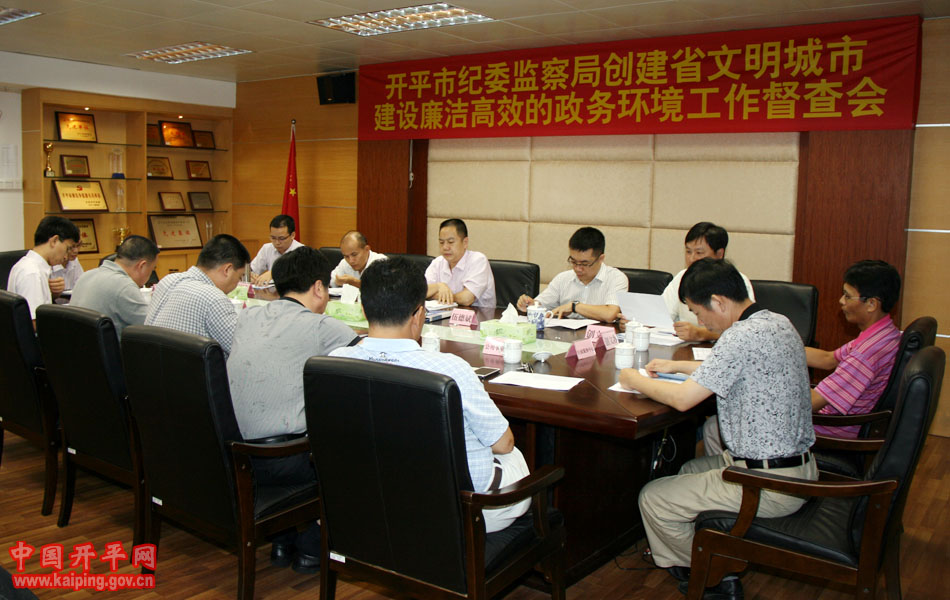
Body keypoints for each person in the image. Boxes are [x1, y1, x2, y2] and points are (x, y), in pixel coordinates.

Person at [620, 258, 815, 600]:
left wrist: (632, 379)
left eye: (698, 312)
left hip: (769, 483)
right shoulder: (776, 321)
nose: (701, 322)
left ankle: (714, 574)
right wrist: (675, 365)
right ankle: (710, 549)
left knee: (653, 497)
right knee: (687, 470)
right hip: (800, 467)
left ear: (719, 302)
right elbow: (730, 366)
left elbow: (683, 399)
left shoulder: (739, 336)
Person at [332, 257, 529, 533]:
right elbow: (503, 443)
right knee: (513, 454)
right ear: (420, 315)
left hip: (367, 500)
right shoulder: (449, 370)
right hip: (458, 509)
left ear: (363, 310)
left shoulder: (334, 361)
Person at [227, 246, 357, 574]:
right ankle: (312, 547)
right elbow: (370, 362)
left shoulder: (248, 316)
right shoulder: (322, 326)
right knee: (352, 444)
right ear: (318, 288)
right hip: (284, 460)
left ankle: (282, 540)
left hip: (237, 454)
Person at [145, 234, 249, 355]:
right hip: (187, 366)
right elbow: (244, 351)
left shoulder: (166, 281)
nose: (237, 283)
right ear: (227, 270)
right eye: (239, 277)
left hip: (151, 363)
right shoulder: (214, 298)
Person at [659, 222, 755, 341]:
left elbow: (746, 329)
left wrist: (701, 334)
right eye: (688, 252)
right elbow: (661, 316)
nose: (692, 258)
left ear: (719, 254)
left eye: (699, 252)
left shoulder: (735, 280)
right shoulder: (682, 277)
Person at [516, 226, 626, 322]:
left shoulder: (616, 278)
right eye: (573, 261)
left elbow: (610, 314)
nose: (578, 268)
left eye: (584, 263)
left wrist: (574, 307)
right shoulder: (563, 278)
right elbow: (540, 304)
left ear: (601, 258)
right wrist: (529, 304)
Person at [69, 236, 160, 338]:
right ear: (142, 266)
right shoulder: (125, 286)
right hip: (106, 347)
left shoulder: (86, 276)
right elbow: (152, 329)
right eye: (152, 269)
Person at [7, 216, 80, 323]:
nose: (66, 256)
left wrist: (53, 294)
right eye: (68, 248)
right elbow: (33, 323)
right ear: (54, 241)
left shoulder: (29, 265)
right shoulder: (32, 273)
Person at [425, 218, 496, 308]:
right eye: (441, 242)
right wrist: (438, 286)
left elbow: (467, 299)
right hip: (445, 315)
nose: (445, 247)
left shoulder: (478, 260)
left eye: (450, 242)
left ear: (465, 242)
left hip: (479, 315)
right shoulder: (438, 262)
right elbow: (421, 291)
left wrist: (438, 295)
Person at [249, 214, 304, 285]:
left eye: (282, 238)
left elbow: (298, 276)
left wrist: (273, 273)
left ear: (292, 235)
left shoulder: (301, 251)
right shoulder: (267, 248)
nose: (277, 243)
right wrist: (252, 275)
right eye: (273, 238)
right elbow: (253, 269)